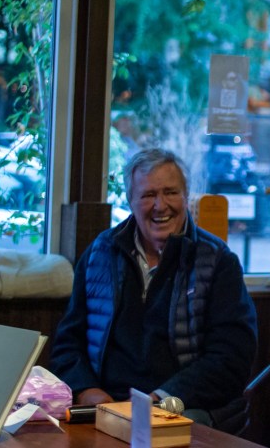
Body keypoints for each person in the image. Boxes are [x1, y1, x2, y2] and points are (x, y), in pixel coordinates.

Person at [50, 148, 258, 426]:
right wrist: (87, 390)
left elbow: (232, 358)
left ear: (185, 197)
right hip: (106, 404)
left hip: (181, 405)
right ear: (130, 201)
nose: (161, 205)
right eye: (148, 195)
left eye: (171, 192)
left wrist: (160, 399)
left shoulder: (217, 260)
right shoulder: (100, 253)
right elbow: (68, 341)